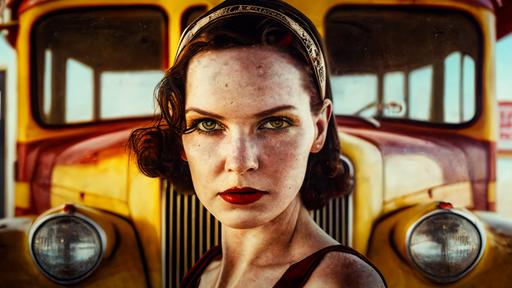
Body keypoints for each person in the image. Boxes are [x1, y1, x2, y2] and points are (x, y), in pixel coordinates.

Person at [129, 0, 387, 287]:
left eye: (275, 123)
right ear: (180, 137)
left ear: (319, 129)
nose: (239, 163)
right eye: (208, 124)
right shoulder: (207, 271)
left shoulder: (339, 282)